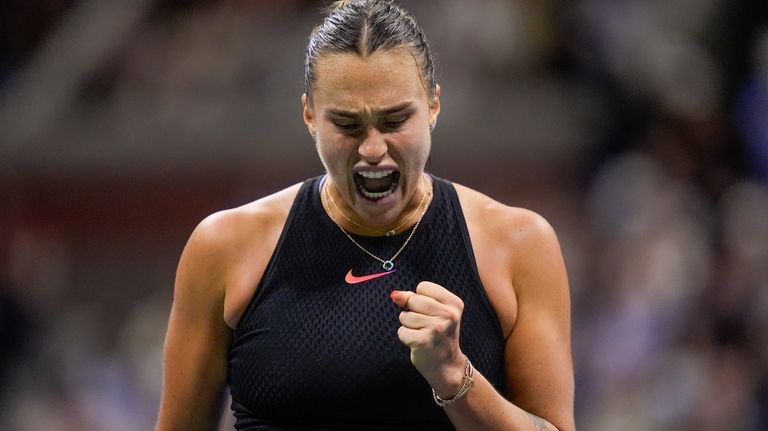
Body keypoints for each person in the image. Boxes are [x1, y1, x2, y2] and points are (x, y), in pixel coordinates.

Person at [155, 1, 574, 430]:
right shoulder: (224, 247)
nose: (373, 149)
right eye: (348, 125)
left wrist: (456, 377)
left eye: (394, 121)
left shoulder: (519, 244)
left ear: (433, 106)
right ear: (309, 115)